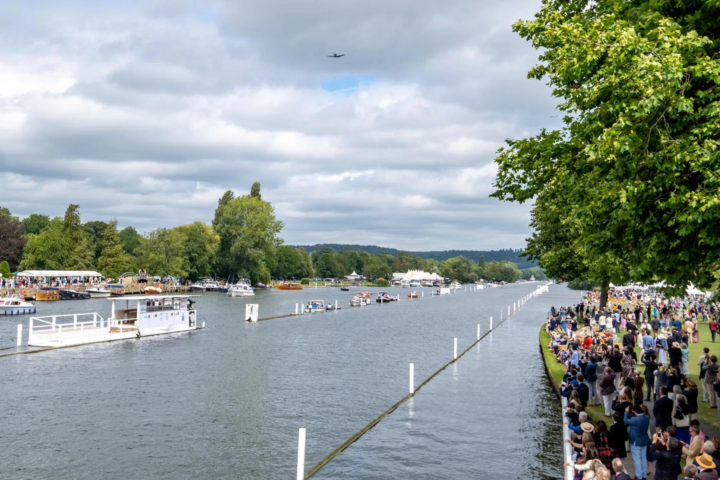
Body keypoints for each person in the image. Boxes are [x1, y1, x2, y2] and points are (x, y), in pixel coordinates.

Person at [624, 404, 651, 480]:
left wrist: (626, 412)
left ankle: (639, 476)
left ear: (634, 411)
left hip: (636, 441)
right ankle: (643, 475)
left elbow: (625, 420)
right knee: (643, 458)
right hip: (644, 440)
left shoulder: (634, 420)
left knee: (637, 459)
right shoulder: (647, 417)